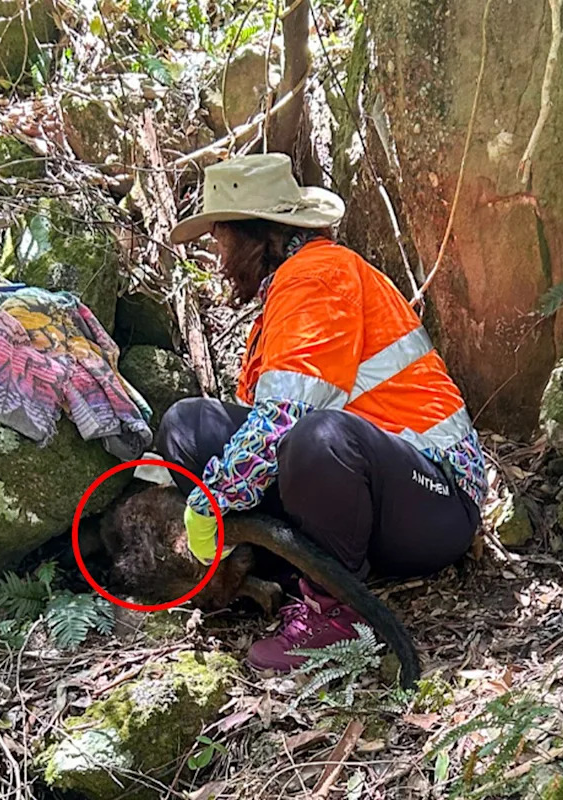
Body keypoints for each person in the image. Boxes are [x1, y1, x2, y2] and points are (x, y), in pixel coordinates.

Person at [158, 153, 486, 672]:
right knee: (187, 428)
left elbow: (286, 421)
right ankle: (291, 571)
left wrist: (211, 503)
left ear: (258, 236)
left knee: (319, 437)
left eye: (221, 240)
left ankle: (337, 616)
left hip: (436, 505)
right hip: (376, 497)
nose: (218, 259)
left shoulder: (318, 276)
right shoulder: (290, 285)